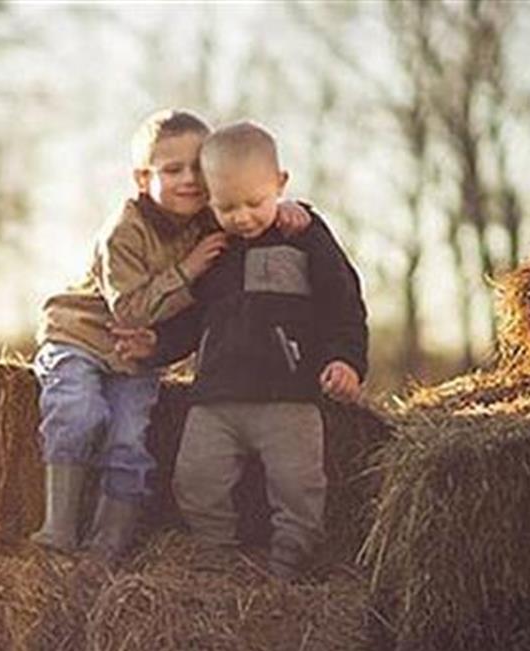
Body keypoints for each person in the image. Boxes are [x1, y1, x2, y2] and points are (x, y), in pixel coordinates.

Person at [31, 109, 311, 563]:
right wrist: (188, 269)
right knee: (80, 413)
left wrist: (289, 211)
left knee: (129, 438)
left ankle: (107, 548)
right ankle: (58, 529)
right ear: (143, 178)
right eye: (172, 169)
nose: (189, 180)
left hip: (136, 358)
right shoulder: (123, 230)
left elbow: (253, 209)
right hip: (80, 337)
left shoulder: (211, 221)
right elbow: (130, 311)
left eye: (198, 169)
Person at [115, 120, 368, 579]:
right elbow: (196, 319)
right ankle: (217, 560)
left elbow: (343, 303)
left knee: (299, 487)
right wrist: (157, 345)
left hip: (288, 398)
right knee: (194, 482)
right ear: (209, 198)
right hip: (216, 400)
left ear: (281, 184)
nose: (244, 217)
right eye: (227, 206)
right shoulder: (213, 248)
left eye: (255, 202)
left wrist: (346, 359)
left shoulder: (305, 236)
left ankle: (291, 563)